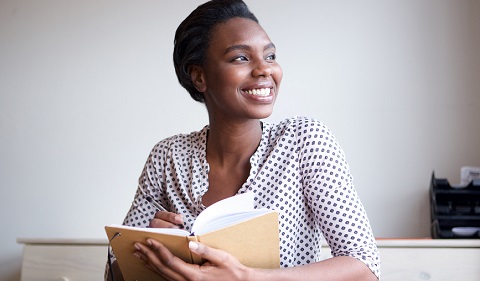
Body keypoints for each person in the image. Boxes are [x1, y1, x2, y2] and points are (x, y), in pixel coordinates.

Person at [106, 0, 381, 280]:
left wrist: (246, 277)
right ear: (199, 76)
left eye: (270, 56)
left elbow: (364, 267)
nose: (265, 69)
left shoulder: (303, 142)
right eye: (241, 57)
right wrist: (148, 251)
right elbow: (113, 274)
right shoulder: (167, 158)